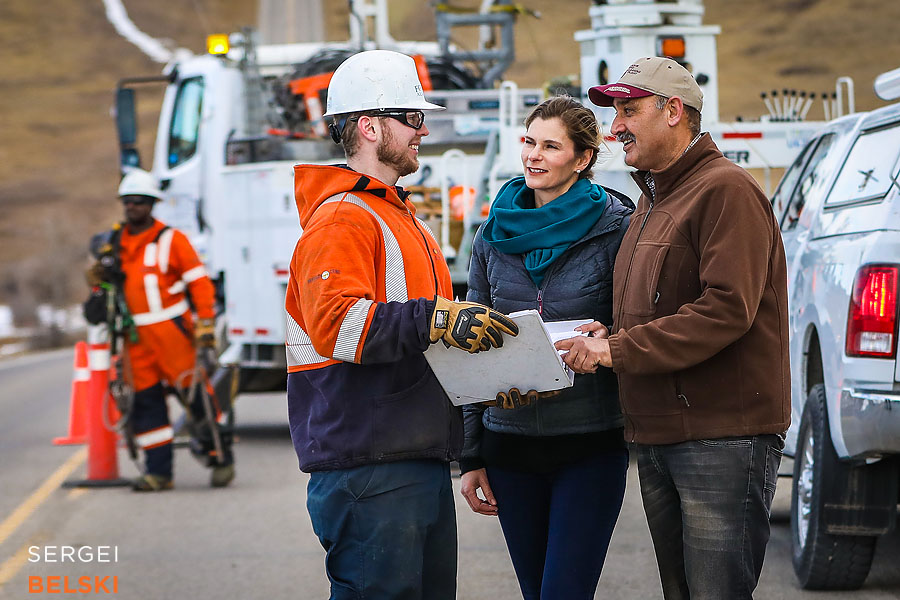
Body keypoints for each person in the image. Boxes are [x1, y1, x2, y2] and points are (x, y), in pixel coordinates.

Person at [284, 49, 518, 600]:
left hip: (409, 455)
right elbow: (339, 327)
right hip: (370, 464)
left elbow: (425, 339)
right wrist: (438, 318)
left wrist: (495, 379)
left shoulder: (397, 216)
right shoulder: (345, 217)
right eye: (411, 118)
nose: (423, 130)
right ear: (369, 126)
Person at [557, 56, 791, 599]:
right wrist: (606, 332)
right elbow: (657, 304)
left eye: (629, 110)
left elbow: (727, 309)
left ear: (673, 112)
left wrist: (616, 350)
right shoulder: (652, 199)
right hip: (663, 434)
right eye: (615, 112)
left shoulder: (725, 190)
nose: (616, 127)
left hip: (720, 439)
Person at [458, 95, 634, 600]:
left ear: (582, 159)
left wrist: (607, 340)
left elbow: (635, 326)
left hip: (589, 442)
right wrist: (471, 456)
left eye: (551, 146)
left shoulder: (616, 228)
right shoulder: (492, 233)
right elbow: (473, 347)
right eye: (529, 142)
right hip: (508, 445)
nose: (534, 155)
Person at [84, 169, 235, 491]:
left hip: (173, 333)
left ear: (152, 204)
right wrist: (99, 280)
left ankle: (220, 457)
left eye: (140, 201)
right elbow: (107, 289)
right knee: (145, 405)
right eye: (128, 201)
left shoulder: (172, 240)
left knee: (197, 399)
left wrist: (206, 322)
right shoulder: (113, 245)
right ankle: (159, 473)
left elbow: (199, 283)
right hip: (134, 340)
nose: (133, 207)